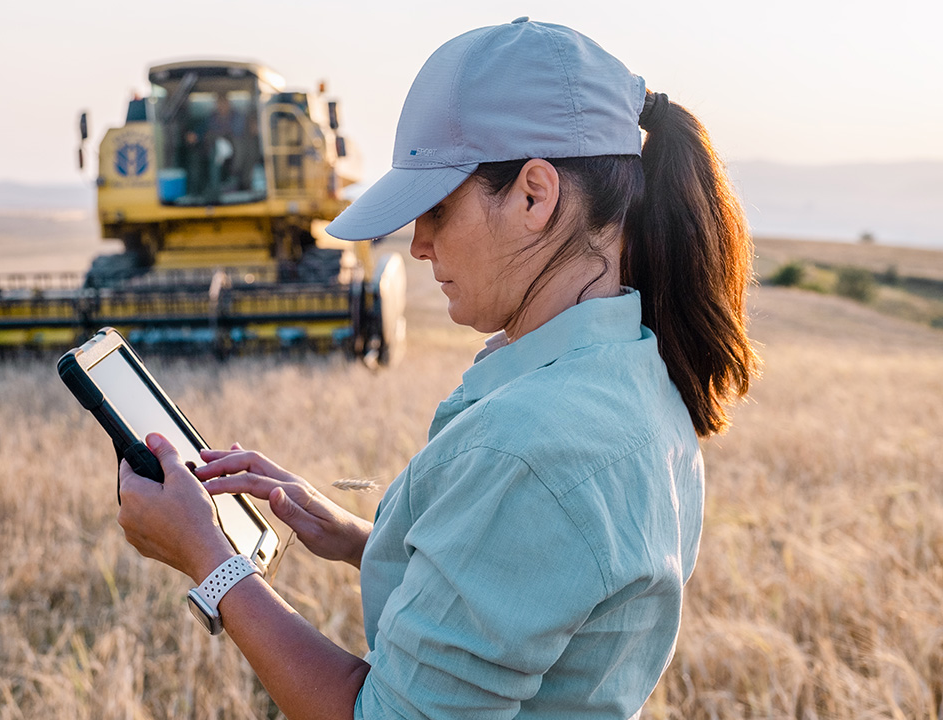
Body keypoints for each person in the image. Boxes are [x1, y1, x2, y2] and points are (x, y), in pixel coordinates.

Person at [116, 17, 757, 719]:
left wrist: (212, 560)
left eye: (437, 208)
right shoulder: (636, 372)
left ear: (534, 197)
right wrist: (365, 538)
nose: (417, 245)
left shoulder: (527, 447)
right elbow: (536, 590)